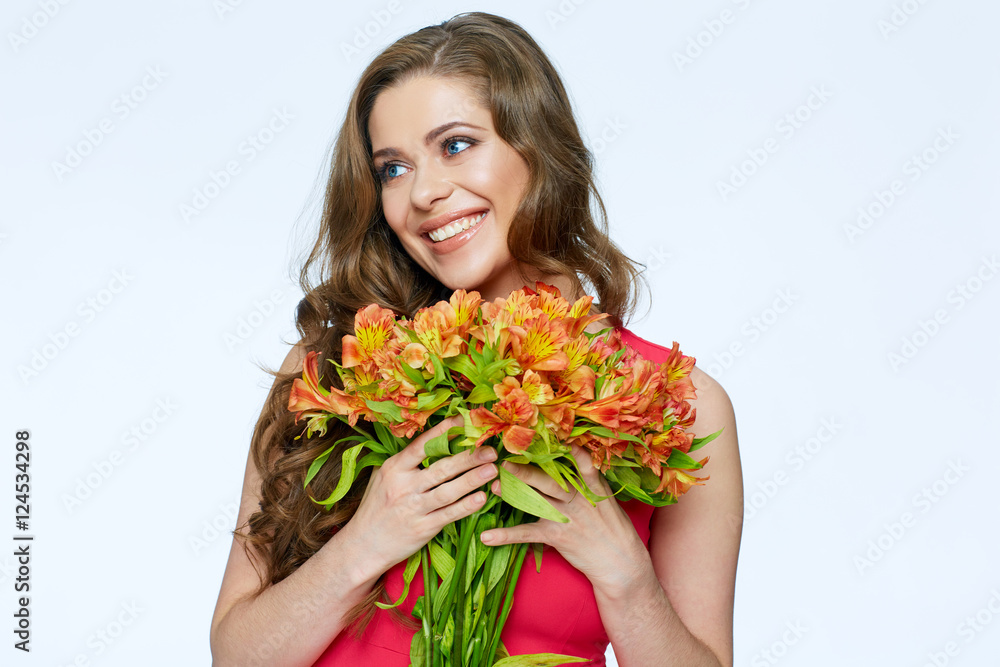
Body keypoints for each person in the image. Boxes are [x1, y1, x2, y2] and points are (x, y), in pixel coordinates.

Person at [209, 11, 743, 667]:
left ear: (539, 148)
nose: (424, 192)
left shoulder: (671, 403)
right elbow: (236, 655)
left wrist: (628, 581)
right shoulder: (338, 368)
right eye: (393, 168)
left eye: (456, 145)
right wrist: (363, 546)